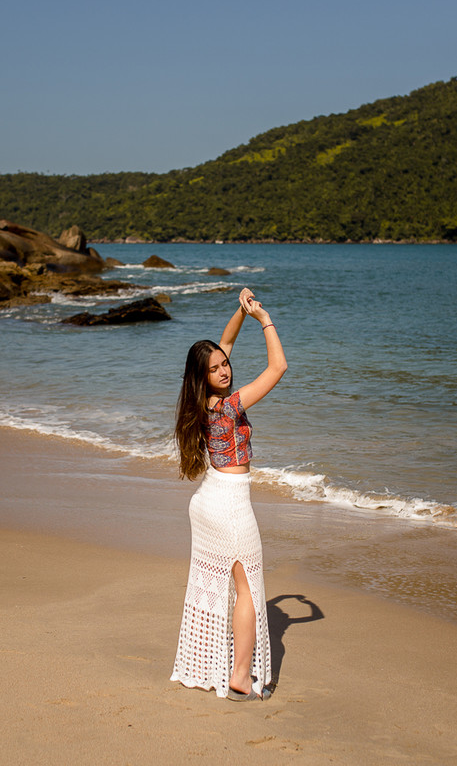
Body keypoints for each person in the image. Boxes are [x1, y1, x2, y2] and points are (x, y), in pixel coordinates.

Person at [169, 287, 287, 701]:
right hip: (229, 505)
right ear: (203, 376)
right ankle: (239, 676)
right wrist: (264, 319)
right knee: (248, 588)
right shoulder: (229, 405)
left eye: (225, 364)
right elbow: (278, 367)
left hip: (210, 499)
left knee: (229, 585)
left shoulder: (201, 402)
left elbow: (225, 343)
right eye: (215, 368)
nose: (224, 370)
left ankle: (214, 665)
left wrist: (240, 311)